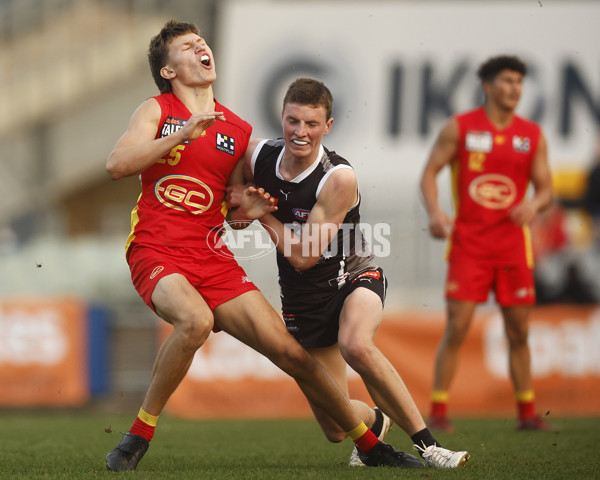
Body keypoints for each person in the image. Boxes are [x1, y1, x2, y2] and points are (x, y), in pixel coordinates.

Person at [103, 20, 426, 472]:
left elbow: (234, 218)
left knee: (294, 355)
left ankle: (371, 445)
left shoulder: (236, 129)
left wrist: (250, 207)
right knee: (195, 321)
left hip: (211, 256)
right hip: (156, 248)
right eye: (186, 46)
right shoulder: (155, 111)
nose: (200, 47)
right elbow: (116, 164)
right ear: (169, 71)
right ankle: (137, 436)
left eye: (201, 41)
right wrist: (181, 134)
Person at [226, 78, 470, 468]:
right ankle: (376, 420)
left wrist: (263, 214)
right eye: (293, 121)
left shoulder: (337, 177)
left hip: (352, 276)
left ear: (328, 126)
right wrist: (239, 207)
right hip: (304, 298)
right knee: (335, 429)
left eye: (311, 124)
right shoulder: (257, 157)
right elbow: (236, 219)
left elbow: (304, 256)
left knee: (355, 344)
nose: (300, 132)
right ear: (282, 118)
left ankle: (430, 446)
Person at [419, 55, 554, 432]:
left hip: (513, 247)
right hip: (469, 246)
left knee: (519, 332)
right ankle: (439, 411)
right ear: (488, 86)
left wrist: (534, 203)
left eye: (519, 82)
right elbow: (429, 173)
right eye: (508, 81)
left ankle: (527, 413)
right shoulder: (460, 128)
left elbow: (546, 190)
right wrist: (434, 211)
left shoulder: (531, 135)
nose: (515, 89)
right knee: (457, 328)